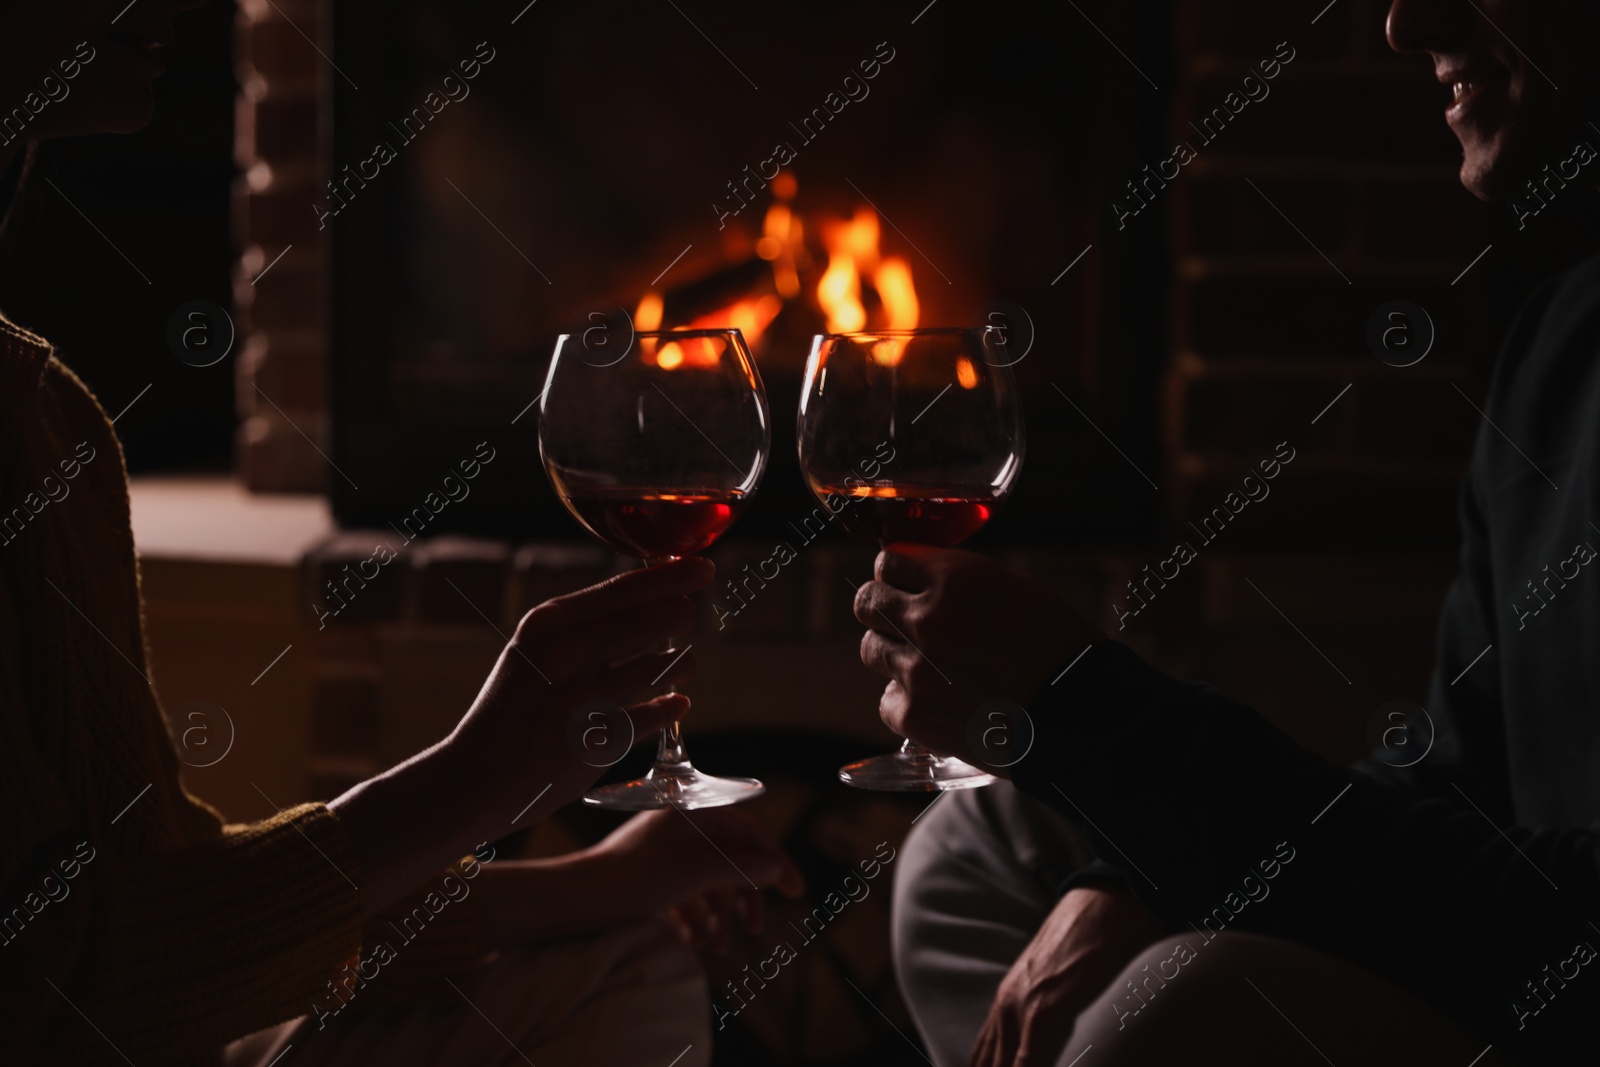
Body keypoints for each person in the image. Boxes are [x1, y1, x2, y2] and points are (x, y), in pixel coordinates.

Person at [0, 4, 801, 1065]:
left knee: (625, 947)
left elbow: (164, 904)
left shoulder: (37, 404)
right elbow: (48, 987)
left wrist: (585, 882)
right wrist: (467, 782)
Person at [870, 1, 1600, 1064]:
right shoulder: (1558, 339)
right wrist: (1138, 873)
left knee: (1172, 997)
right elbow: (1452, 784)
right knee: (970, 849)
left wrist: (1082, 706)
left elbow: (1556, 914)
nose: (1406, 22)